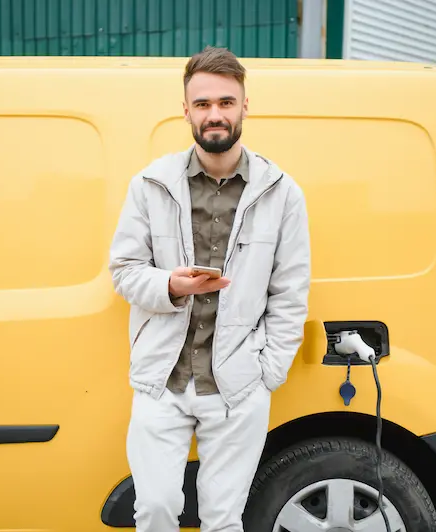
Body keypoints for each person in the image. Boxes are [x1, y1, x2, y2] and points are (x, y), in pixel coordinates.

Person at [108, 46, 311, 532]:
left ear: (245, 106)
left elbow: (291, 293)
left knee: (223, 519)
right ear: (186, 111)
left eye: (225, 102)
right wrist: (170, 286)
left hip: (238, 387)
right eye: (202, 104)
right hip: (163, 380)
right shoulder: (150, 185)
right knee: (154, 509)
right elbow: (123, 269)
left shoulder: (282, 193)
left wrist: (267, 373)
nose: (214, 114)